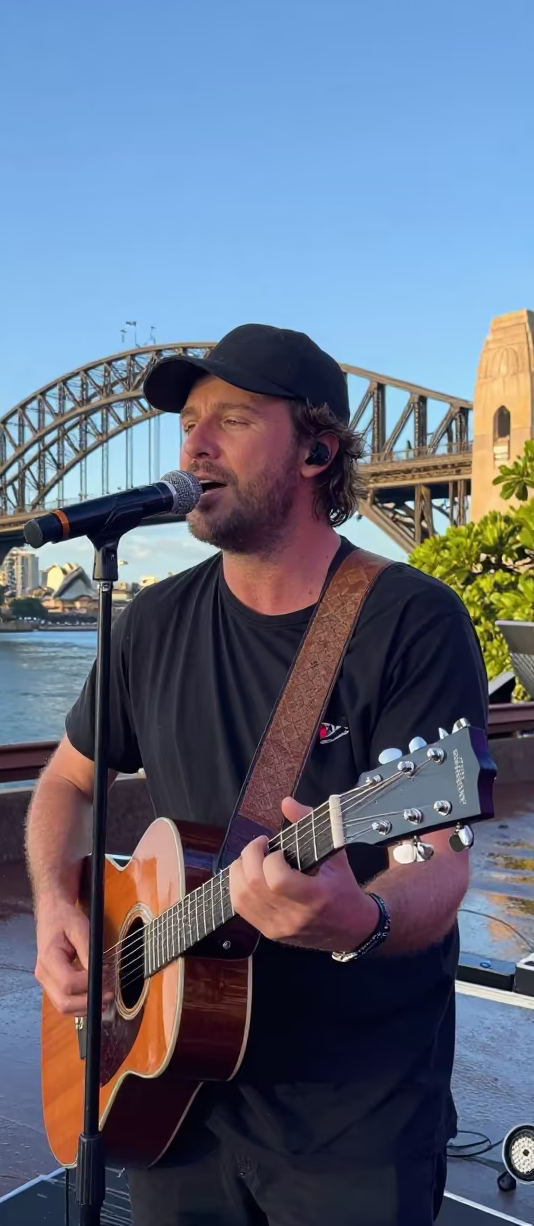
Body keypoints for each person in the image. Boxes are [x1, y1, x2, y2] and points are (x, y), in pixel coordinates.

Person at [25, 324, 489, 1226]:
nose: (195, 445)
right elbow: (63, 784)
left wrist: (365, 918)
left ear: (318, 449)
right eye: (189, 422)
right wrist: (56, 908)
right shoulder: (153, 621)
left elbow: (440, 861)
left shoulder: (411, 620)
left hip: (353, 1119)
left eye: (231, 419)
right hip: (169, 1097)